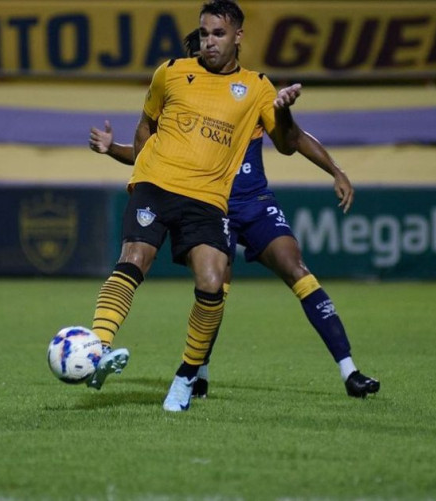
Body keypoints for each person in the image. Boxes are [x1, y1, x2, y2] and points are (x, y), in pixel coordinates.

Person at [89, 29, 380, 400]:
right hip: (210, 201)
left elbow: (295, 139)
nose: (205, 54)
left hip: (252, 200)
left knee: (297, 269)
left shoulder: (247, 95)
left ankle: (349, 370)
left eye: (213, 43)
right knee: (214, 284)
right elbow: (149, 151)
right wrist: (112, 148)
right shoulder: (182, 96)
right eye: (199, 50)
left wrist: (336, 169)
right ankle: (197, 374)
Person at [82, 0, 303, 412]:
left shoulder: (257, 87)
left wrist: (284, 113)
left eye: (218, 34)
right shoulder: (170, 73)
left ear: (238, 36)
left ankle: (186, 377)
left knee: (212, 280)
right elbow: (147, 128)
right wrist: (121, 154)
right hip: (156, 184)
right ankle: (97, 347)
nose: (209, 41)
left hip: (207, 198)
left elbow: (287, 146)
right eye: (204, 33)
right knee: (135, 256)